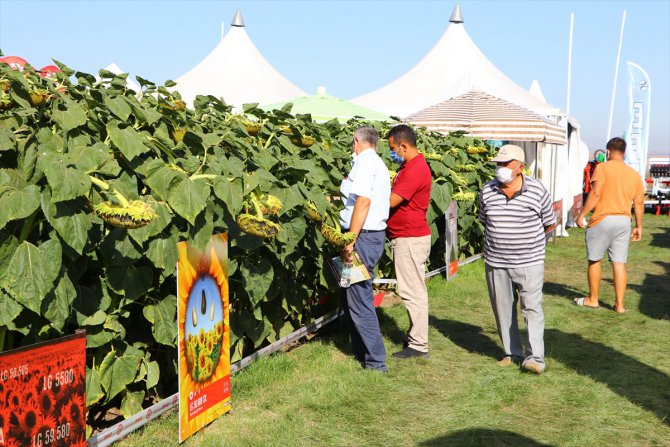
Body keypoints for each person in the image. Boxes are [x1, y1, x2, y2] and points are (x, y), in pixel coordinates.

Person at [478, 144, 556, 374]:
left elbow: (549, 222)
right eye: (498, 164)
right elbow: (486, 220)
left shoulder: (537, 190)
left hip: (529, 261)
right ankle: (512, 352)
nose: (500, 168)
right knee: (502, 309)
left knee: (531, 308)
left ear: (520, 167)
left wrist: (530, 244)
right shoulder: (487, 190)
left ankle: (535, 358)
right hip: (496, 261)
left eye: (505, 164)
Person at [339, 125, 391, 372]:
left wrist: (349, 240)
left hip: (362, 237)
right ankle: (362, 352)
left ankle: (375, 362)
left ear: (356, 141)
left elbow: (363, 202)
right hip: (370, 236)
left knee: (360, 297)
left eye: (352, 144)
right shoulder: (377, 163)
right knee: (352, 293)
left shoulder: (364, 162)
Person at [575, 137, 645, 314]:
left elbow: (596, 193)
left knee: (594, 259)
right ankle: (619, 305)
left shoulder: (602, 168)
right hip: (623, 221)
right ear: (624, 152)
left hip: (602, 219)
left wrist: (581, 215)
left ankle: (593, 299)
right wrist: (639, 226)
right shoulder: (634, 174)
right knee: (619, 263)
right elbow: (639, 203)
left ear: (607, 151)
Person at [385, 124, 433, 359]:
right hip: (408, 236)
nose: (391, 152)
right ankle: (416, 337)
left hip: (409, 238)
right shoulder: (411, 166)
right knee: (413, 289)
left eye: (393, 148)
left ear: (404, 146)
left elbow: (392, 201)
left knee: (413, 292)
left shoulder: (415, 169)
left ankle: (418, 345)